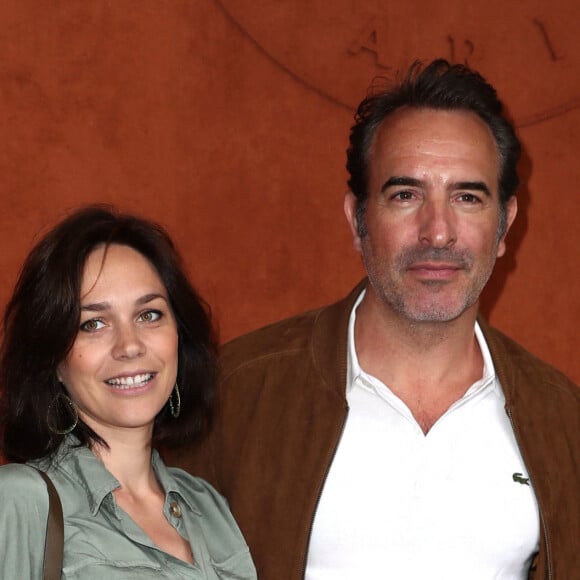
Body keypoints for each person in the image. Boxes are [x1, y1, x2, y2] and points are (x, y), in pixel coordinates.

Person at [167, 60, 580, 579]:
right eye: (405, 195)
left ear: (504, 226)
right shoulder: (233, 395)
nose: (437, 232)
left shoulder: (562, 422)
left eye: (467, 197)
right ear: (358, 220)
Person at [0, 206, 257, 579]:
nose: (130, 346)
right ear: (54, 358)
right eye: (93, 323)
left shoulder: (210, 507)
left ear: (178, 336)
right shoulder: (19, 503)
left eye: (148, 315)